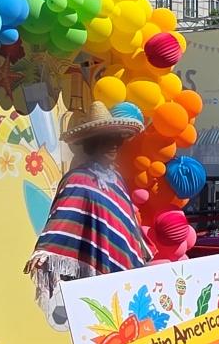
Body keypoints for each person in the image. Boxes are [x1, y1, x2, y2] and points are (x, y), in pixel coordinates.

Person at [26, 101, 152, 331]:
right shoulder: (78, 179)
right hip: (95, 268)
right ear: (92, 144)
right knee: (101, 328)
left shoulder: (117, 179)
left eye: (115, 140)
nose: (113, 146)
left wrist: (140, 246)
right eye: (105, 140)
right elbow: (64, 216)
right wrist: (46, 248)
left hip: (125, 271)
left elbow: (126, 223)